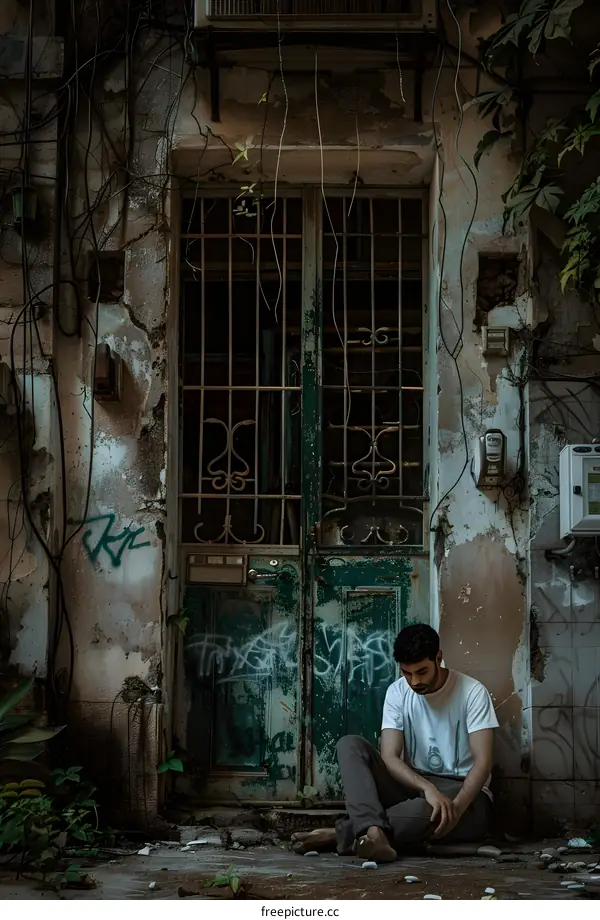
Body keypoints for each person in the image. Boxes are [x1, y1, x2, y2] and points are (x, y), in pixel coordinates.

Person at [292, 623, 499, 862]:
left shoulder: (473, 692)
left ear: (439, 658)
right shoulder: (397, 692)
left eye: (422, 672)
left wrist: (456, 810)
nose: (414, 681)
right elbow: (390, 756)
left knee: (426, 811)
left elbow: (483, 763)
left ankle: (345, 834)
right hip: (416, 785)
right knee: (350, 745)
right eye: (407, 673)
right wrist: (427, 788)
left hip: (466, 793)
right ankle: (371, 832)